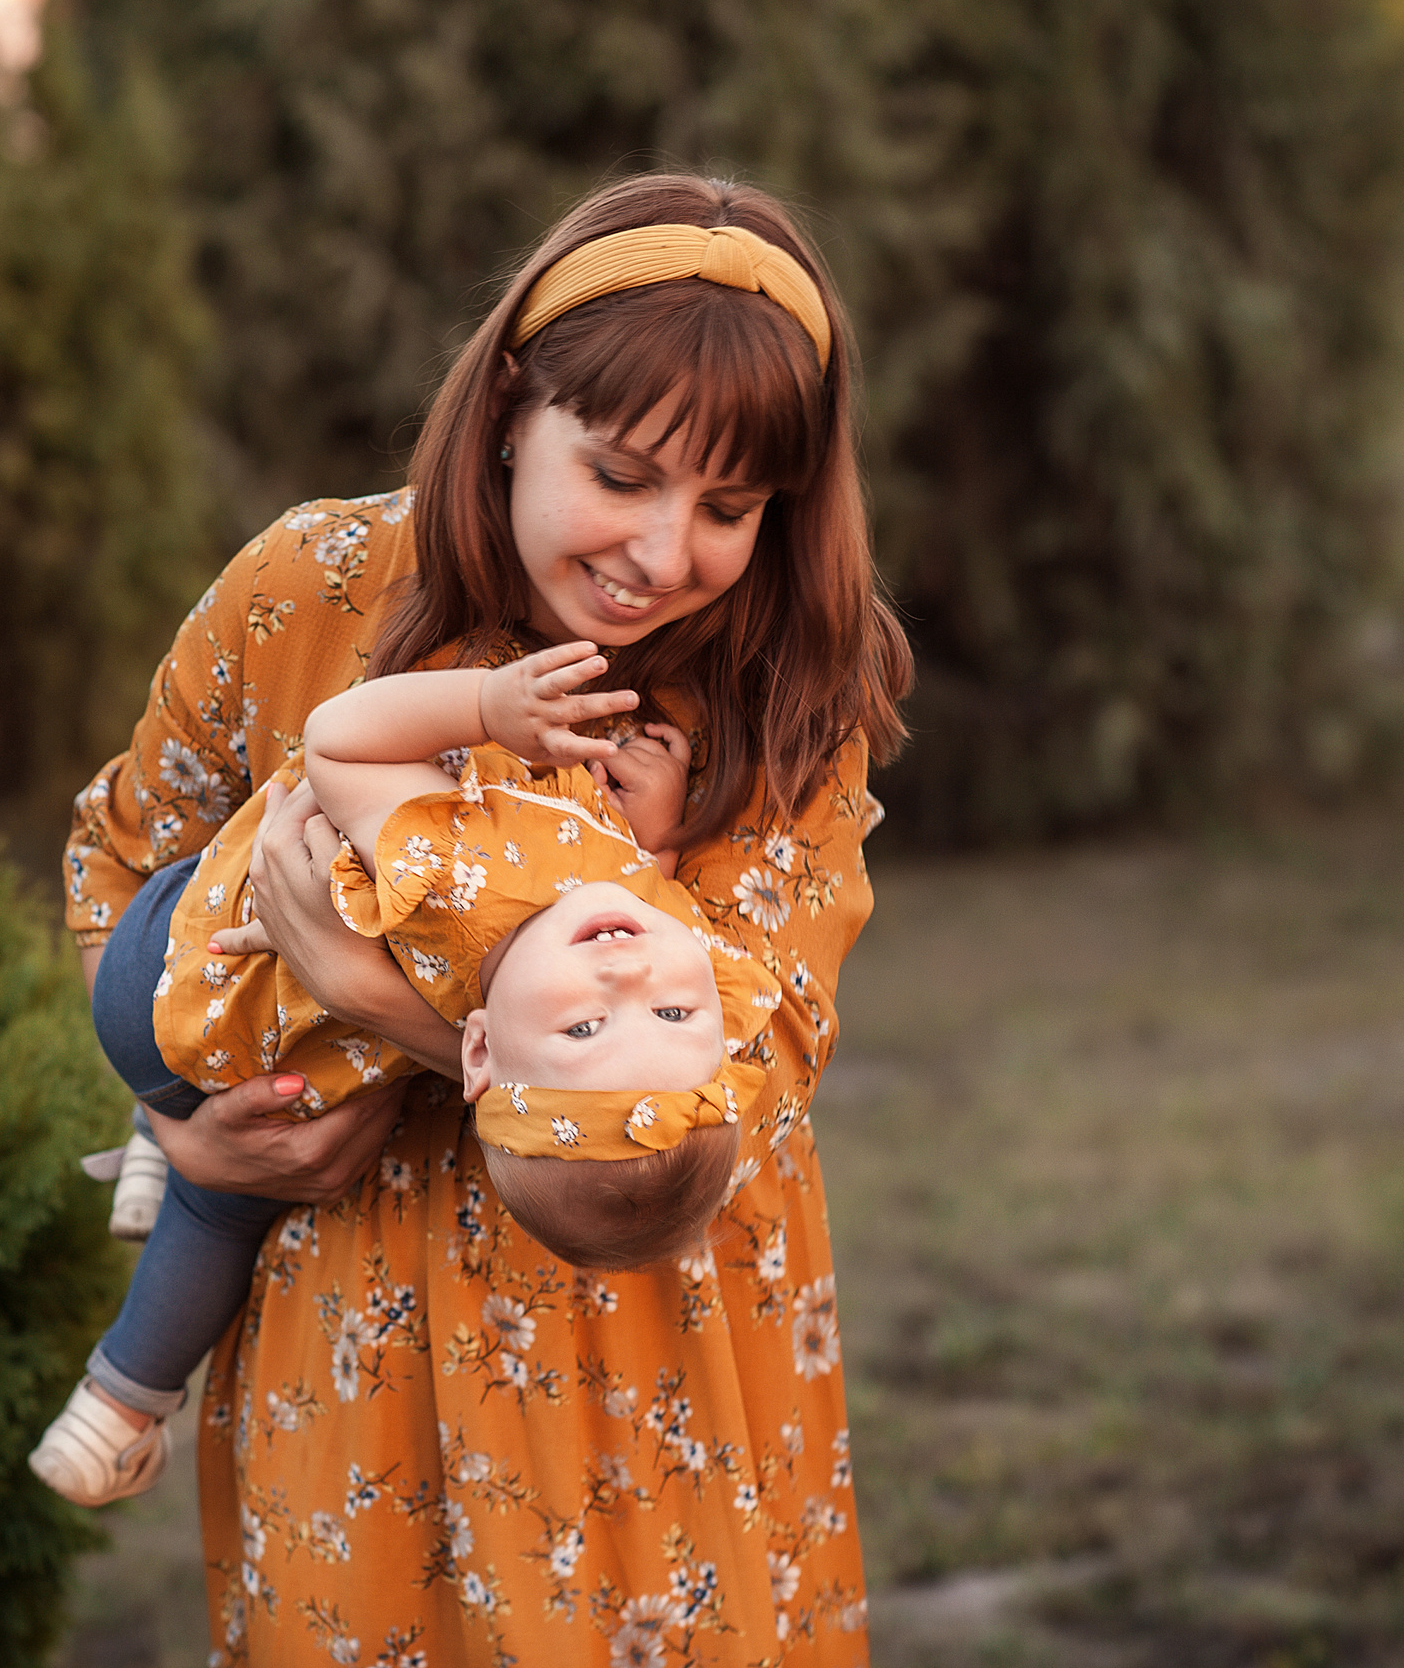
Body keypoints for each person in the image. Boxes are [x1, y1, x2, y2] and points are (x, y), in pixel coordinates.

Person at [63, 172, 910, 1664]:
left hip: (652, 1327)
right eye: (625, 472)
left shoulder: (786, 685)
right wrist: (182, 1122)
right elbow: (126, 863)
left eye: (728, 506)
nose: (663, 551)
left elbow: (759, 1056)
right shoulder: (311, 586)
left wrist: (394, 1007)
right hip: (356, 1326)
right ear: (515, 404)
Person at [30, 641, 779, 1506]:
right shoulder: (626, 928)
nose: (632, 978)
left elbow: (337, 742)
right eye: (678, 1015)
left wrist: (490, 708)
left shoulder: (459, 885)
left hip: (162, 988)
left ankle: (124, 1371)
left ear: (479, 1048)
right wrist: (657, 815)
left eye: (584, 1026)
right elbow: (630, 873)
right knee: (232, 1189)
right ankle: (124, 1394)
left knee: (227, 1197)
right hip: (238, 1032)